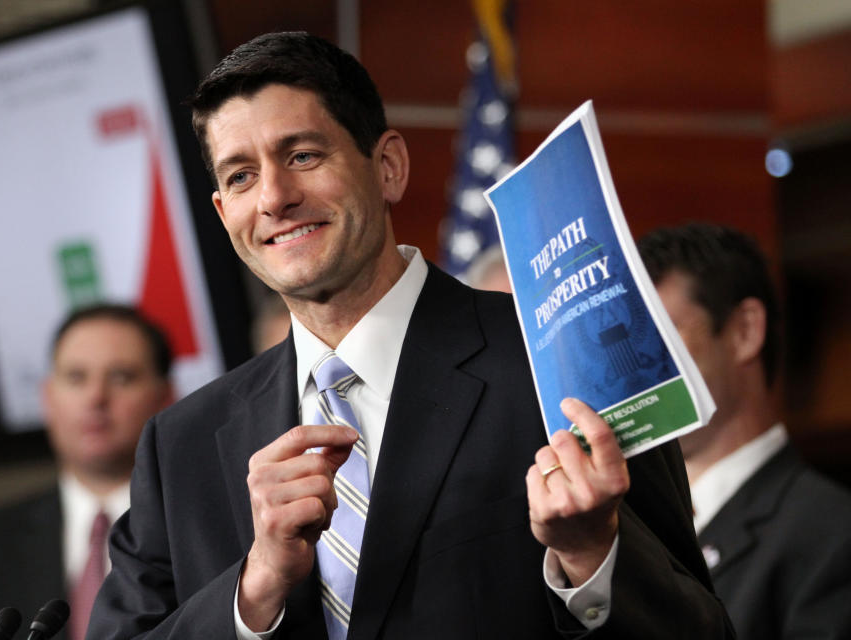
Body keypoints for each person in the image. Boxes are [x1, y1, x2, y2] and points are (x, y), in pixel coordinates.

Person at [87, 32, 731, 639]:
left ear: (388, 166)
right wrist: (253, 591)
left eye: (302, 155)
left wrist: (593, 557)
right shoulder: (181, 447)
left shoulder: (557, 356)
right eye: (240, 176)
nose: (274, 197)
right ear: (226, 215)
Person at [639, 222, 851, 639]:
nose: (639, 367)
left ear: (744, 331)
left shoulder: (834, 534)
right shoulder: (625, 527)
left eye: (661, 334)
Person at [0, 304, 174, 640]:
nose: (95, 397)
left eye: (120, 377)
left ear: (166, 398)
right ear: (47, 398)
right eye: (76, 377)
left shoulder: (204, 531)